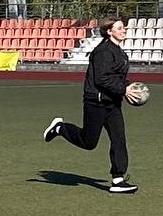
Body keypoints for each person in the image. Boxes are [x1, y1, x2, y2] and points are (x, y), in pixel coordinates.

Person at [44, 17, 136, 192]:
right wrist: (123, 89)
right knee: (88, 142)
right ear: (109, 31)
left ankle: (118, 179)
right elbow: (102, 79)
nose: (123, 30)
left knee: (119, 139)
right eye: (119, 28)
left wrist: (129, 86)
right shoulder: (103, 52)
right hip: (96, 102)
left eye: (123, 27)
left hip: (112, 103)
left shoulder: (120, 53)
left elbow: (116, 78)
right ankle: (60, 128)